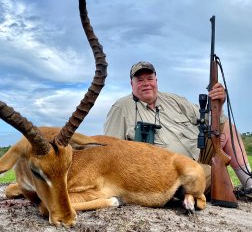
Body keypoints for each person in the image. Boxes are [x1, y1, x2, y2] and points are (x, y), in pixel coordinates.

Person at [104, 61, 252, 197]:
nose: (146, 84)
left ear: (156, 81)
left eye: (149, 79)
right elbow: (110, 150)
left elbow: (213, 120)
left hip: (198, 152)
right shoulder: (121, 108)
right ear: (132, 84)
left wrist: (218, 103)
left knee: (226, 126)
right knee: (220, 180)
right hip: (172, 171)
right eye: (140, 80)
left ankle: (249, 183)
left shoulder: (174, 100)